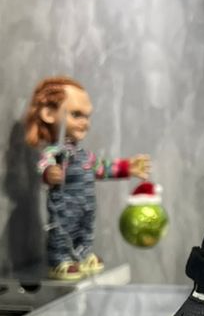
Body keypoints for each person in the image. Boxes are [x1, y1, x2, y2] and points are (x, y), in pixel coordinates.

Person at [23, 75, 151, 279]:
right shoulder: (55, 153)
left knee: (85, 231)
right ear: (48, 114)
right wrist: (49, 173)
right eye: (76, 114)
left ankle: (82, 256)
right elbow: (44, 166)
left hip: (86, 208)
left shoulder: (84, 155)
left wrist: (127, 167)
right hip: (64, 207)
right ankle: (59, 260)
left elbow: (101, 168)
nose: (85, 123)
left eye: (87, 116)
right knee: (61, 231)